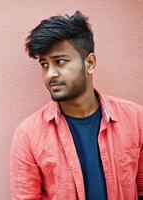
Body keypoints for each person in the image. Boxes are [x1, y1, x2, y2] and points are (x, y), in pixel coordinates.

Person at [9, 10, 143, 200]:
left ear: (89, 63)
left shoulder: (136, 119)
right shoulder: (28, 134)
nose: (50, 74)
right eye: (44, 64)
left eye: (60, 62)